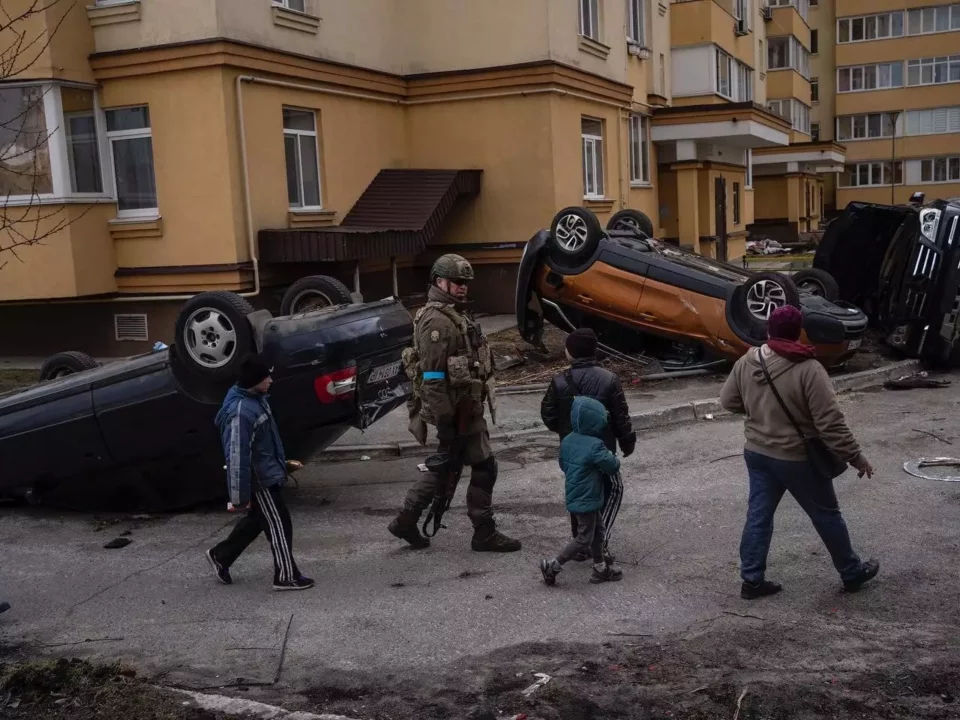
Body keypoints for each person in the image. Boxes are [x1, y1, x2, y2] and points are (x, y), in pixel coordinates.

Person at [720, 305, 878, 600]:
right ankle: (851, 572)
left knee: (758, 516)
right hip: (796, 458)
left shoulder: (747, 360)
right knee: (826, 514)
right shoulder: (808, 368)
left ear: (769, 331)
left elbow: (728, 401)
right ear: (798, 332)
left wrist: (757, 411)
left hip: (757, 453)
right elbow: (830, 423)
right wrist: (857, 457)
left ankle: (752, 580)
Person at [388, 254, 521, 553]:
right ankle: (483, 532)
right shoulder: (437, 321)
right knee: (481, 466)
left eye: (465, 283)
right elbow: (433, 377)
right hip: (456, 411)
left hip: (464, 407)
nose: (463, 288)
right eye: (457, 282)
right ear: (440, 282)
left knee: (447, 467)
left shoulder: (452, 314)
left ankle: (406, 521)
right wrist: (446, 422)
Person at [205, 353, 314, 591]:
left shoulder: (255, 398)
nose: (271, 380)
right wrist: (239, 497)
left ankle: (221, 555)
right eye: (267, 377)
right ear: (254, 380)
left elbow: (263, 443)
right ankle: (286, 576)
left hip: (265, 472)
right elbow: (237, 456)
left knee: (258, 521)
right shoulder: (241, 412)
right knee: (279, 523)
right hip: (259, 479)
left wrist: (280, 464)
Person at [540, 327, 635, 563]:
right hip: (602, 447)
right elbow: (621, 415)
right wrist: (627, 440)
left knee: (579, 491)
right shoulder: (609, 379)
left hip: (571, 450)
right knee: (604, 491)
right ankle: (599, 545)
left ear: (570, 352)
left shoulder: (559, 381)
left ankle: (580, 541)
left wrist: (565, 432)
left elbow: (548, 414)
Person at [540, 396, 623, 586]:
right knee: (584, 538)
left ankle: (600, 568)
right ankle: (553, 565)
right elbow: (612, 467)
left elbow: (563, 464)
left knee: (598, 531)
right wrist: (612, 456)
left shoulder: (568, 440)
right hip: (588, 497)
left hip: (577, 494)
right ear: (595, 422)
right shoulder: (595, 445)